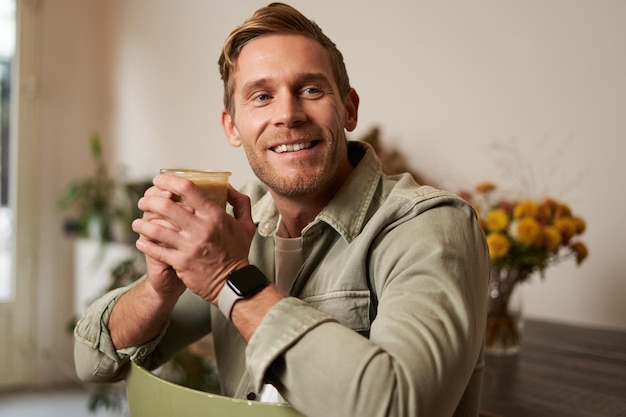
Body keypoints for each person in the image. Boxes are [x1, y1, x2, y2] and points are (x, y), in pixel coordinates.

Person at [74, 3, 490, 416]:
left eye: (311, 89)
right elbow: (92, 360)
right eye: (261, 96)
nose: (288, 115)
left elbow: (401, 407)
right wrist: (158, 291)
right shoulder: (239, 225)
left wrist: (228, 278)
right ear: (232, 127)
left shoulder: (431, 225)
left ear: (348, 108)